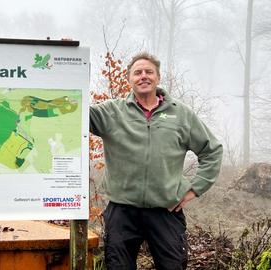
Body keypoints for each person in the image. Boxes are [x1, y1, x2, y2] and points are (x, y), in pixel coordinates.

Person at [89, 52, 223, 269]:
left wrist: (194, 189)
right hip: (122, 211)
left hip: (166, 211)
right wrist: (69, 63)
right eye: (137, 72)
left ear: (158, 78)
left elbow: (212, 150)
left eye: (149, 72)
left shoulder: (180, 115)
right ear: (129, 79)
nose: (143, 76)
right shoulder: (112, 112)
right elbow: (76, 113)